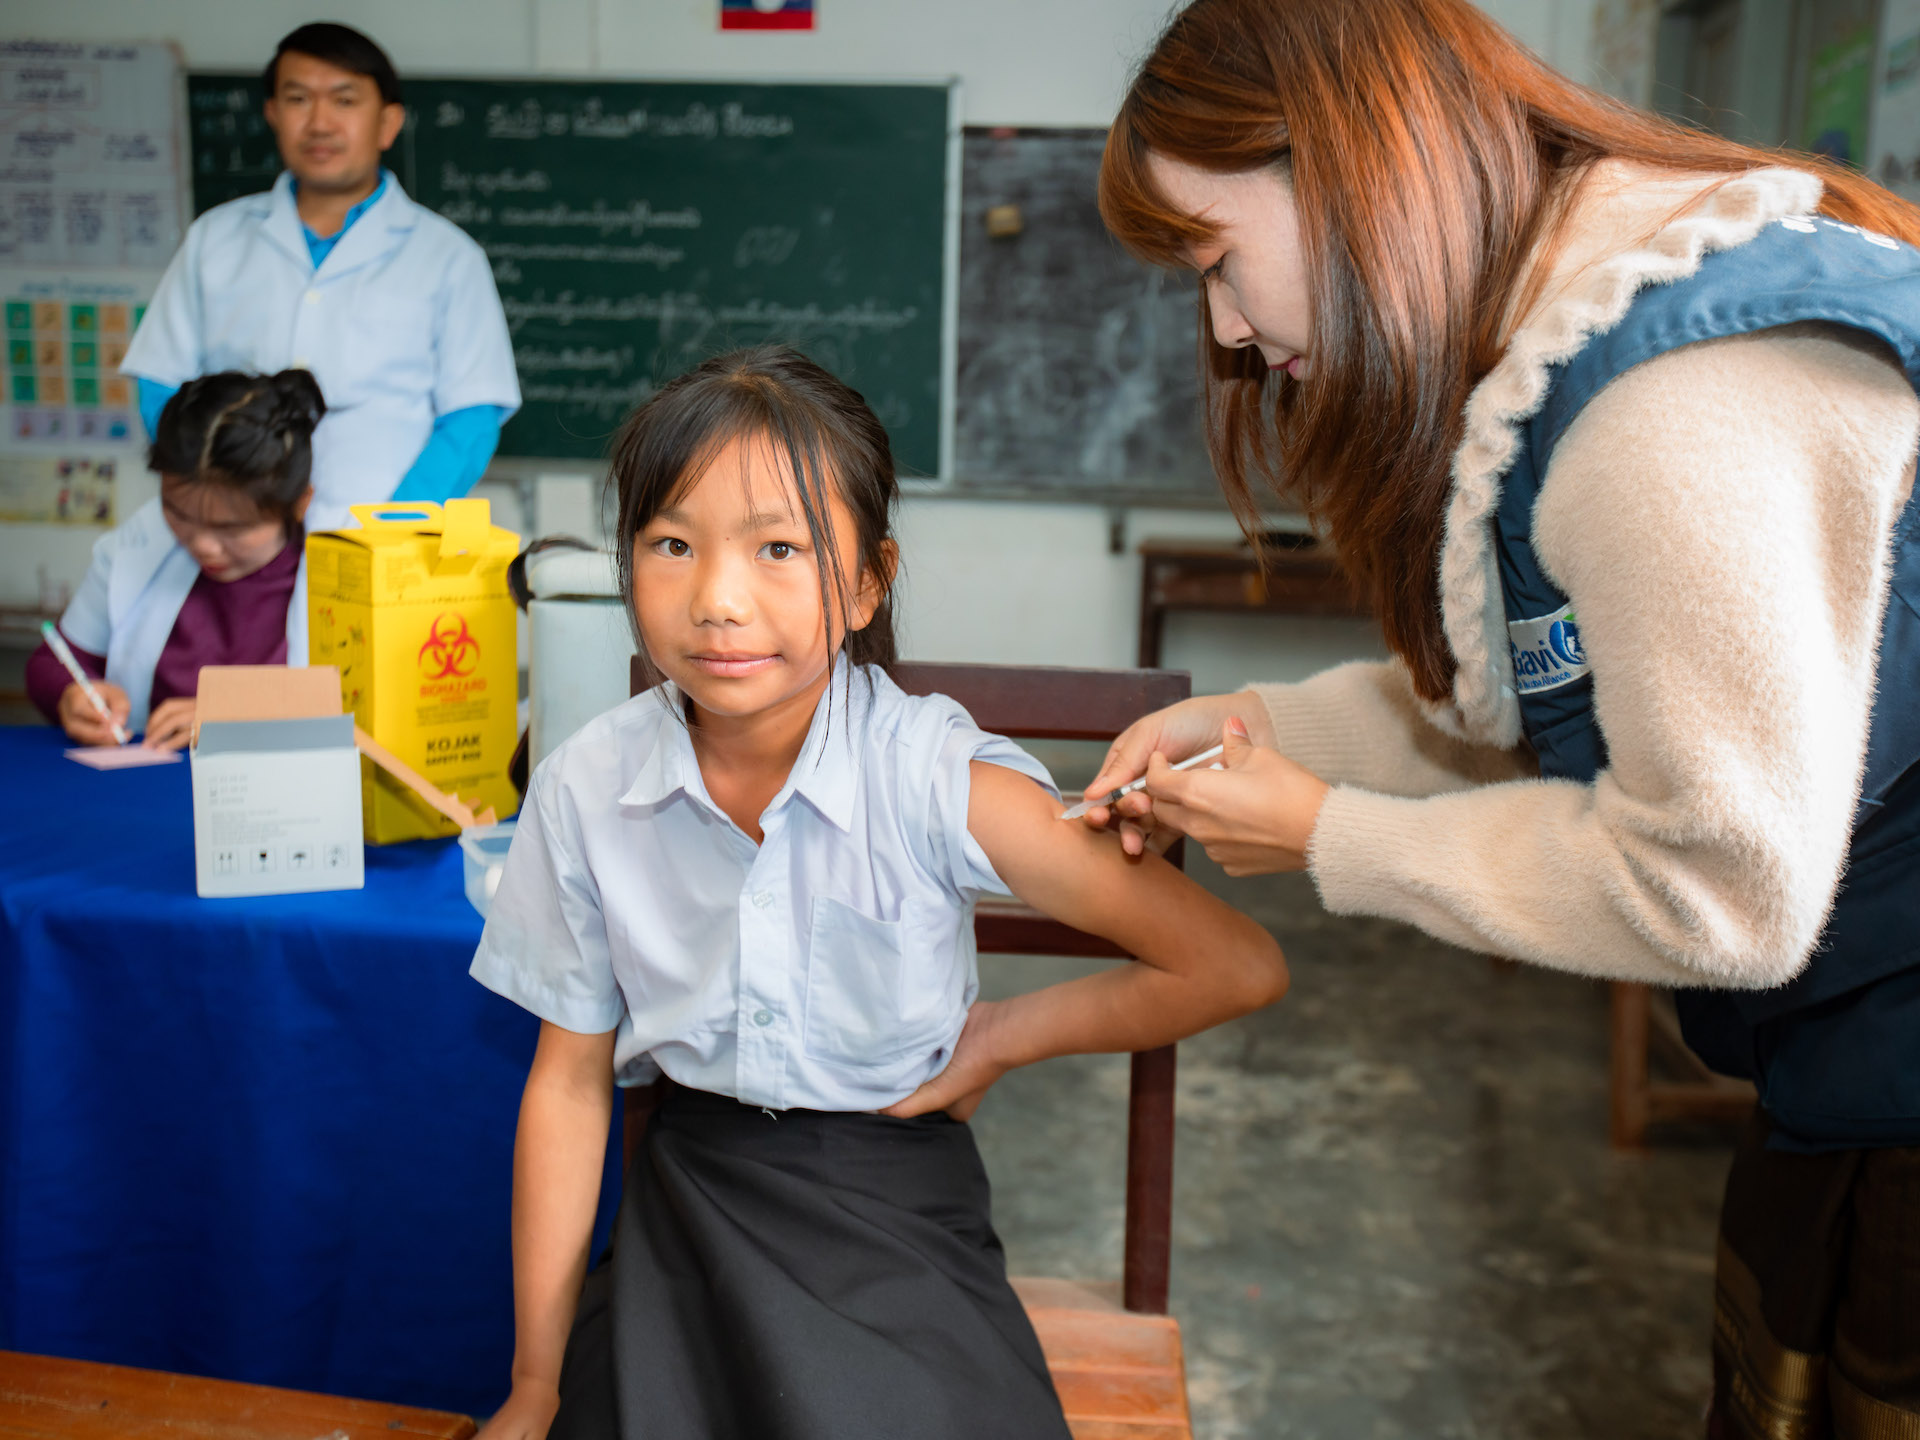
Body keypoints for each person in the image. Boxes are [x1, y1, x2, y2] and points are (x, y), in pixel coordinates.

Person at [1086, 2, 1920, 1435]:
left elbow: (1718, 890)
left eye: (1218, 261)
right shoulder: (1576, 330)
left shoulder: (1670, 405)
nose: (1225, 328)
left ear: (1350, 172)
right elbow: (1543, 684)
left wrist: (1332, 837)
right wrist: (1259, 725)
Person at [468, 345, 1289, 1440]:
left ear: (866, 582)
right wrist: (535, 1383)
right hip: (693, 1195)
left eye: (778, 549)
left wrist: (997, 1039)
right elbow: (570, 1085)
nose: (717, 600)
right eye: (671, 544)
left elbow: (1235, 964)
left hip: (894, 1204)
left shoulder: (938, 781)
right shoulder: (586, 784)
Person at [122, 23, 519, 531]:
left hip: (377, 541)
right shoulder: (214, 239)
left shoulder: (448, 257)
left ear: (388, 123)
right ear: (272, 114)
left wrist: (390, 529)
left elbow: (471, 418)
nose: (319, 123)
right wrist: (216, 503)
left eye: (344, 100)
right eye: (298, 99)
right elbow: (160, 382)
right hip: (229, 539)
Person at [29, 370, 325, 750]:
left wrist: (241, 717)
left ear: (299, 503)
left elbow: (363, 711)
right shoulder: (140, 544)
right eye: (178, 515)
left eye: (231, 529)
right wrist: (71, 695)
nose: (203, 546)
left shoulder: (343, 578)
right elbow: (52, 662)